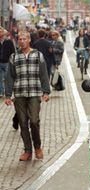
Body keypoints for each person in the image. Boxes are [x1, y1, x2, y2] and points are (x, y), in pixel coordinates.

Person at [4, 30, 50, 161]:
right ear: (18, 41)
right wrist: (8, 95)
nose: (22, 41)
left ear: (29, 40)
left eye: (24, 39)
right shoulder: (14, 57)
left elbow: (44, 74)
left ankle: (38, 147)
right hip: (19, 94)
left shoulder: (38, 55)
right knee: (23, 123)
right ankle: (28, 151)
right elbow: (10, 77)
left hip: (35, 93)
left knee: (34, 121)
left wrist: (46, 92)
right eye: (20, 39)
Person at [0, 27, 15, 97]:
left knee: (7, 78)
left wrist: (11, 61)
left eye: (1, 32)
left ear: (4, 33)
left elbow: (13, 52)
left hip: (7, 62)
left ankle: (8, 92)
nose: (0, 33)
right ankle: (1, 92)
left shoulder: (9, 41)